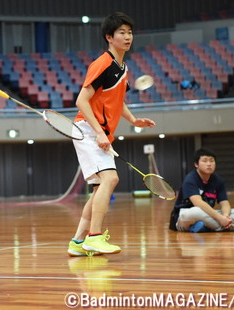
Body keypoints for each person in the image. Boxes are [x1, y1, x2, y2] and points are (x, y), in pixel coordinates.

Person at [67, 12, 156, 257]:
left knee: (100, 189)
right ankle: (94, 237)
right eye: (122, 33)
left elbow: (118, 99)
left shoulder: (122, 67)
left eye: (129, 32)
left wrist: (133, 119)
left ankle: (77, 242)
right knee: (111, 179)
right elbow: (81, 100)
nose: (128, 37)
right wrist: (98, 132)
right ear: (109, 37)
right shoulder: (103, 63)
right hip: (87, 128)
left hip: (99, 131)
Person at [169, 148, 234, 233]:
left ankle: (203, 227)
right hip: (184, 216)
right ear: (196, 164)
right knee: (195, 212)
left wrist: (225, 216)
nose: (209, 164)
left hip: (205, 214)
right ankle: (233, 226)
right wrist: (220, 218)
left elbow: (224, 203)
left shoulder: (218, 181)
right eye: (204, 161)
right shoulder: (190, 179)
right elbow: (198, 203)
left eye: (212, 161)